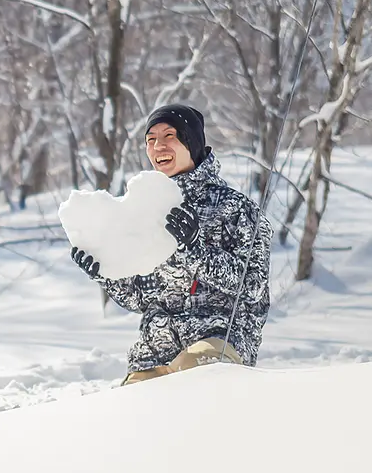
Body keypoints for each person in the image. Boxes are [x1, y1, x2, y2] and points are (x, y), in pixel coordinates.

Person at [70, 104, 271, 385]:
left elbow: (253, 286)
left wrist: (196, 253)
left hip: (219, 344)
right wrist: (107, 274)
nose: (158, 146)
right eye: (150, 139)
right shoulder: (144, 212)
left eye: (169, 136)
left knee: (192, 376)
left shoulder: (235, 208)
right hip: (155, 353)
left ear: (192, 141)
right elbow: (139, 299)